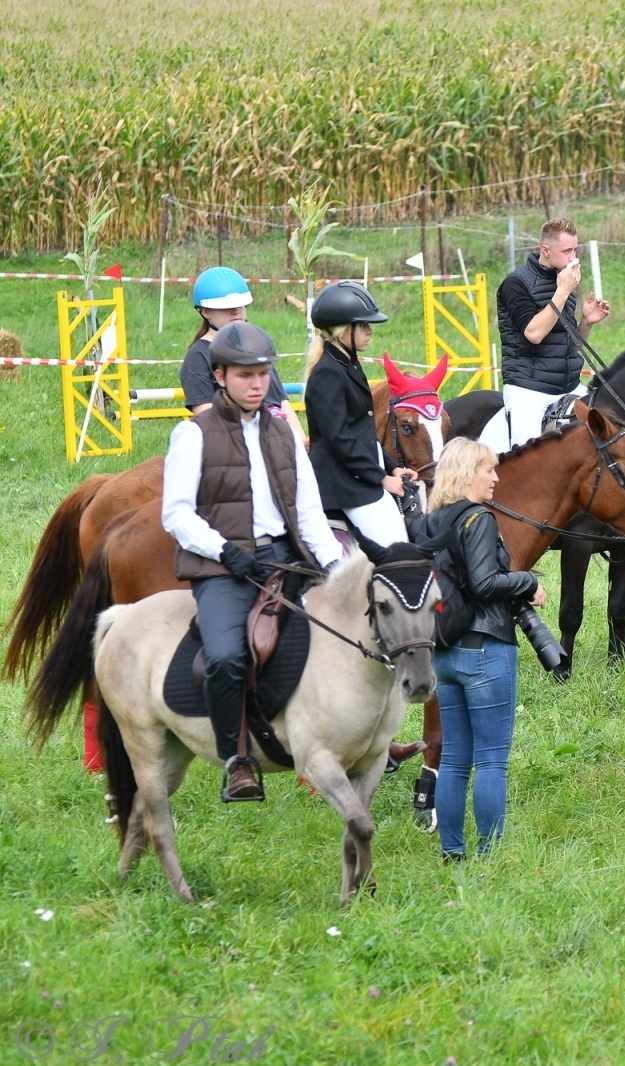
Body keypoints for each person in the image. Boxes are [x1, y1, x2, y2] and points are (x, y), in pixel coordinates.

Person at [160, 322, 345, 801]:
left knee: (347, 633)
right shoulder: (192, 434)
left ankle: (354, 738)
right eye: (245, 374)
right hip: (224, 565)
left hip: (287, 556)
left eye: (263, 373)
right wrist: (226, 552)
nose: (257, 383)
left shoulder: (283, 432)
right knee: (225, 657)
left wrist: (336, 570)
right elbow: (175, 514)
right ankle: (236, 758)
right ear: (219, 376)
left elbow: (308, 514)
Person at [414, 438, 544, 861]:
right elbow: (485, 583)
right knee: (491, 761)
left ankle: (452, 851)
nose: (496, 477)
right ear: (468, 473)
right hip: (485, 650)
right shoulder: (480, 519)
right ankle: (489, 857)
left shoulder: (430, 522)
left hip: (443, 651)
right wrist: (529, 583)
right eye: (488, 469)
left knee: (452, 759)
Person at [303, 281, 415, 547]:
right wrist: (382, 479)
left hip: (356, 478)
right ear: (343, 330)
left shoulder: (348, 364)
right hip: (343, 487)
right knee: (397, 548)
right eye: (363, 325)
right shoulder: (328, 373)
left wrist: (393, 467)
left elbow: (363, 433)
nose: (369, 331)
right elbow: (340, 439)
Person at [488, 218, 611, 452]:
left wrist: (586, 322)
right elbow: (534, 333)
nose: (573, 257)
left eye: (575, 249)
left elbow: (569, 346)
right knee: (527, 463)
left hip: (569, 385)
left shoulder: (562, 282)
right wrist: (562, 291)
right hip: (528, 390)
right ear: (545, 250)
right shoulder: (516, 284)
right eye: (566, 251)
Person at [179, 267, 304, 443]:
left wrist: (300, 442)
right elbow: (207, 419)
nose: (236, 311)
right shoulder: (198, 357)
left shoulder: (256, 346)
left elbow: (281, 402)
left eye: (240, 305)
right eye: (226, 307)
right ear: (205, 312)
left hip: (278, 442)